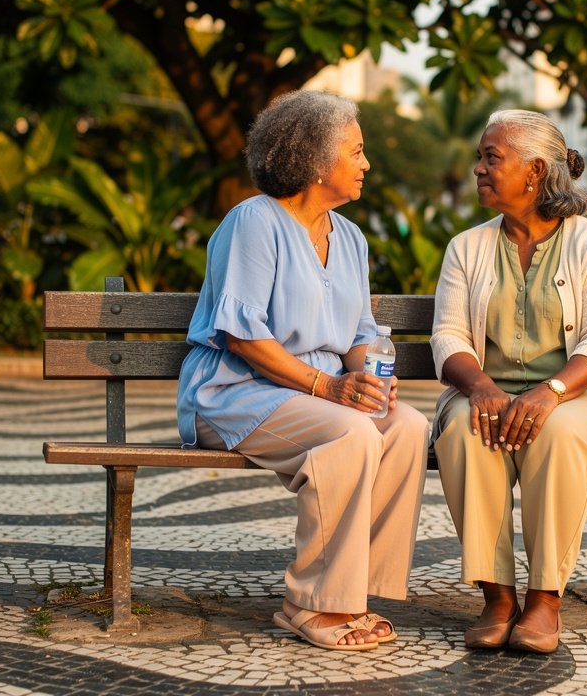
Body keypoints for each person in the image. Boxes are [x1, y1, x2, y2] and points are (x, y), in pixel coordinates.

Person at [176, 90, 428, 652]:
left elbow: (360, 334)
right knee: (350, 432)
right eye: (357, 151)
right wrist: (330, 386)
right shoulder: (254, 222)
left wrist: (369, 376)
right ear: (318, 161)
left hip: (316, 396)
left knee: (406, 426)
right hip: (233, 392)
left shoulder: (351, 238)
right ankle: (312, 603)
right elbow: (242, 335)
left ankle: (354, 592)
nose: (367, 164)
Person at [430, 110, 587, 654]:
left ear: (534, 171)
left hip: (580, 396)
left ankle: (544, 600)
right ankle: (497, 597)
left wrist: (550, 393)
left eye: (493, 157)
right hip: (484, 392)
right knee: (466, 428)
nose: (479, 169)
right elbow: (448, 338)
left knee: (556, 432)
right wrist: (481, 387)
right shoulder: (466, 247)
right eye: (482, 156)